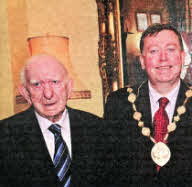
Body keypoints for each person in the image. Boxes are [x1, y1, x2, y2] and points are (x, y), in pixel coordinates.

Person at [104, 23, 192, 186]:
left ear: (183, 56)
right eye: (154, 51)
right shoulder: (118, 104)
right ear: (143, 61)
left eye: (170, 50)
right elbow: (109, 174)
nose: (163, 58)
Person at [0, 55, 114, 186]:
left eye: (55, 82)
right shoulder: (5, 135)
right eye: (37, 84)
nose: (48, 94)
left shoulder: (99, 130)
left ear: (69, 87)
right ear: (25, 93)